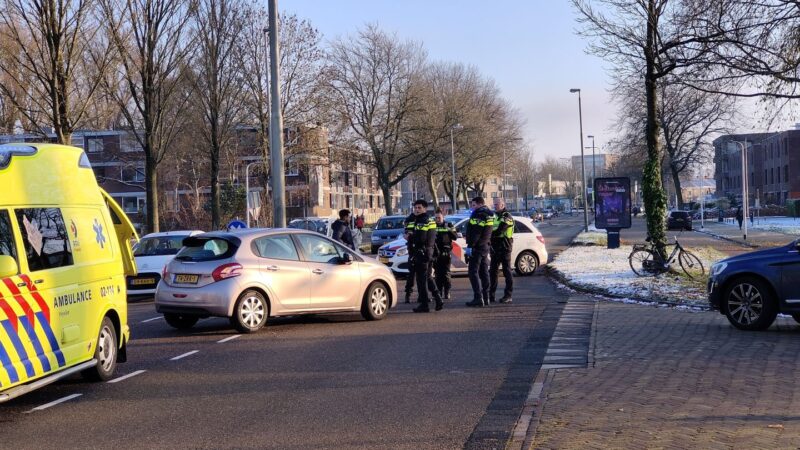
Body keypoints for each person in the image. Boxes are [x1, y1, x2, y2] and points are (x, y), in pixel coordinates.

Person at [407, 200, 443, 313]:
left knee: (421, 280)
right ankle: (438, 299)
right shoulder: (430, 220)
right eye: (415, 208)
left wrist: (410, 237)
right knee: (428, 277)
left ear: (425, 209)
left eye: (419, 208)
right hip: (428, 252)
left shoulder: (422, 221)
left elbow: (421, 238)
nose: (416, 210)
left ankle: (424, 304)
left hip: (421, 253)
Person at [465, 197, 494, 307]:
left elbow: (476, 232)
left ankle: (478, 297)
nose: (472, 207)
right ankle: (486, 298)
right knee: (484, 272)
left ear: (478, 204)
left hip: (477, 247)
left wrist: (470, 246)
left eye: (473, 205)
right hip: (485, 245)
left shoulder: (479, 214)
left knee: (473, 272)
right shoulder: (489, 214)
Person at [489, 198, 514, 304]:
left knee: (507, 272)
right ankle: (491, 295)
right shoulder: (494, 216)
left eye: (497, 204)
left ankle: (508, 295)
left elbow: (500, 230)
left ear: (503, 204)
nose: (495, 206)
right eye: (494, 204)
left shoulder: (507, 216)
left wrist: (489, 235)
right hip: (495, 248)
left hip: (505, 247)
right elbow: (489, 228)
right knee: (493, 272)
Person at [433, 207, 458, 300]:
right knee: (437, 274)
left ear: (443, 217)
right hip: (436, 253)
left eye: (439, 218)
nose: (437, 220)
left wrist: (448, 229)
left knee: (446, 274)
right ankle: (439, 292)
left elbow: (455, 236)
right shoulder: (433, 225)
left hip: (446, 252)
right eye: (436, 218)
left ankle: (447, 292)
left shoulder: (449, 224)